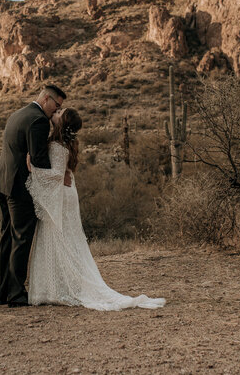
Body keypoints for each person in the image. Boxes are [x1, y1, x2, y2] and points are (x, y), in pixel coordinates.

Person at [26, 107, 165, 310]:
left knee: (59, 238)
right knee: (67, 239)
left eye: (59, 113)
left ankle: (55, 288)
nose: (54, 113)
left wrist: (33, 169)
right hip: (68, 191)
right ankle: (58, 285)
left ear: (62, 122)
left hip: (62, 196)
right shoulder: (68, 143)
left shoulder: (57, 145)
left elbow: (56, 174)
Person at [0, 85, 67, 307]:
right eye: (56, 105)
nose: (56, 111)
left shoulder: (18, 113)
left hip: (2, 181)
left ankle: (2, 292)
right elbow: (39, 160)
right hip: (20, 187)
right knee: (22, 238)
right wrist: (57, 174)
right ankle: (16, 294)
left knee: (7, 235)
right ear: (46, 99)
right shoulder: (39, 120)